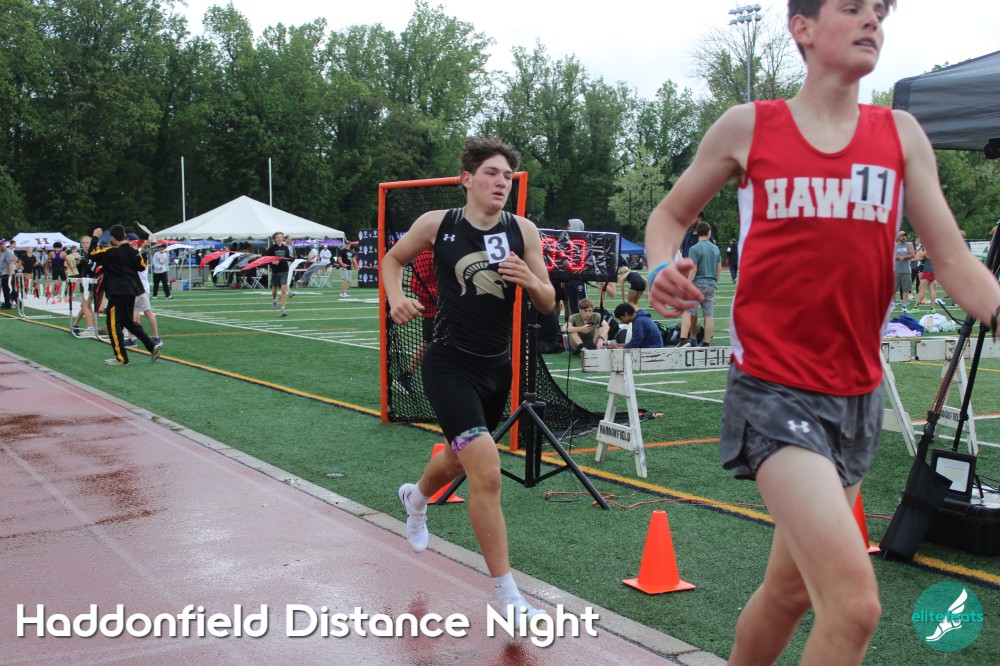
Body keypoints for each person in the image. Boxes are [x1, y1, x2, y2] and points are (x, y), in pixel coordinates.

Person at [643, 2, 1000, 663]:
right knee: (854, 606)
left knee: (790, 593)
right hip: (772, 390)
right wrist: (662, 264)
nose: (872, 22)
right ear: (801, 27)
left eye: (879, 11)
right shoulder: (749, 126)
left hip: (857, 395)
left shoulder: (901, 135)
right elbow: (669, 216)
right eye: (852, 7)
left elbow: (953, 262)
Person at [382, 137, 555, 619]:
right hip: (448, 363)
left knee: (460, 461)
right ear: (467, 179)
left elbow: (547, 302)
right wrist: (396, 298)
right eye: (492, 174)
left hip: (496, 368)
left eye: (507, 177)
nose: (501, 183)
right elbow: (392, 260)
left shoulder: (522, 231)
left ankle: (416, 498)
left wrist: (530, 280)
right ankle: (510, 598)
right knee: (487, 471)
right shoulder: (438, 224)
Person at [88, 226, 161, 365]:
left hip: (117, 292)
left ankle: (121, 358)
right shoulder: (133, 250)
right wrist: (142, 251)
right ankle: (152, 347)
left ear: (113, 238)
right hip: (131, 291)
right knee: (128, 322)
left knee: (113, 324)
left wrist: (95, 237)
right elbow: (142, 266)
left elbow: (91, 254)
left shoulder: (110, 252)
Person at [393, 249, 437, 395]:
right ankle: (406, 377)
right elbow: (416, 285)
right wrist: (439, 295)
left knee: (431, 343)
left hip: (443, 308)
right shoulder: (426, 254)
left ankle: (406, 377)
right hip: (434, 309)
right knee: (431, 343)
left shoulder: (443, 250)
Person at [679, 221, 722, 347]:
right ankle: (706, 342)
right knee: (708, 316)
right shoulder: (716, 248)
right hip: (711, 285)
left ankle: (683, 339)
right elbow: (719, 268)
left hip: (697, 284)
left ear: (697, 232)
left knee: (687, 312)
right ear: (709, 232)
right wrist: (715, 282)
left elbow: (693, 269)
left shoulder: (694, 249)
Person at [71, 234, 99, 337]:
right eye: (84, 243)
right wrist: (79, 263)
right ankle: (91, 326)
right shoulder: (85, 254)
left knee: (85, 305)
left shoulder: (93, 253)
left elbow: (92, 268)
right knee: (87, 305)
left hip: (90, 281)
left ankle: (90, 328)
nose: (86, 244)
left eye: (87, 242)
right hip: (85, 281)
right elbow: (83, 269)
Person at [265, 231, 294, 316]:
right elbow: (266, 259)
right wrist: (272, 263)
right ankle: (274, 300)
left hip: (284, 270)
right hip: (275, 271)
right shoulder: (271, 248)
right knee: (274, 289)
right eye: (278, 237)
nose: (280, 239)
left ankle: (283, 309)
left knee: (284, 289)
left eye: (281, 237)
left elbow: (288, 258)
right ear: (274, 239)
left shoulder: (285, 248)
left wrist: (296, 259)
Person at [894, 231, 915, 308]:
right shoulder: (894, 245)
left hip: (906, 271)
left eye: (905, 236)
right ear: (898, 237)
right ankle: (893, 302)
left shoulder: (909, 245)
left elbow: (913, 254)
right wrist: (898, 257)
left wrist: (905, 257)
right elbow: (889, 256)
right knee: (893, 289)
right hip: (895, 270)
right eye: (902, 236)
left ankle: (904, 304)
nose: (904, 237)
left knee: (905, 289)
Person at [0, 239, 16, 309]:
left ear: (5, 244)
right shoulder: (2, 252)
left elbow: (10, 264)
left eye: (2, 244)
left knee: (11, 290)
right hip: (3, 273)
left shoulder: (8, 252)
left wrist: (10, 276)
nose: (1, 246)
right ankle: (7, 304)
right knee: (5, 290)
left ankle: (19, 303)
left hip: (8, 273)